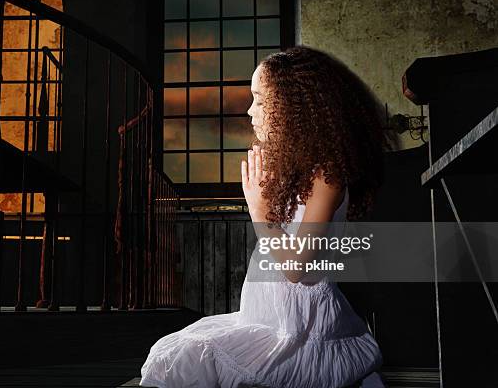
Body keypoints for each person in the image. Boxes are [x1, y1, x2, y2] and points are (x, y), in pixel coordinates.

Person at [140, 45, 392, 388]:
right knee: (170, 357)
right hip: (262, 315)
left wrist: (258, 209)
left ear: (295, 107)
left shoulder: (328, 175)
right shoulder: (293, 169)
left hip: (299, 327)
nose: (250, 110)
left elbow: (295, 267)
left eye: (259, 99)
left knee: (188, 362)